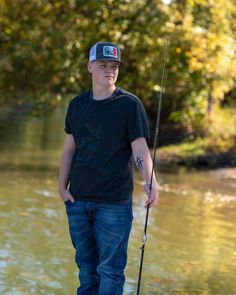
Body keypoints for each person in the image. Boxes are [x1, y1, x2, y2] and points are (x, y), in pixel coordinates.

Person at [59, 41, 158, 295]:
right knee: (85, 270)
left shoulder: (129, 105)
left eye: (114, 66)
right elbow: (69, 149)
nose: (110, 70)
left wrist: (150, 179)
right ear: (90, 67)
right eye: (103, 65)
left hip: (114, 203)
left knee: (111, 270)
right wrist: (62, 187)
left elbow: (140, 149)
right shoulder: (77, 105)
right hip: (78, 200)